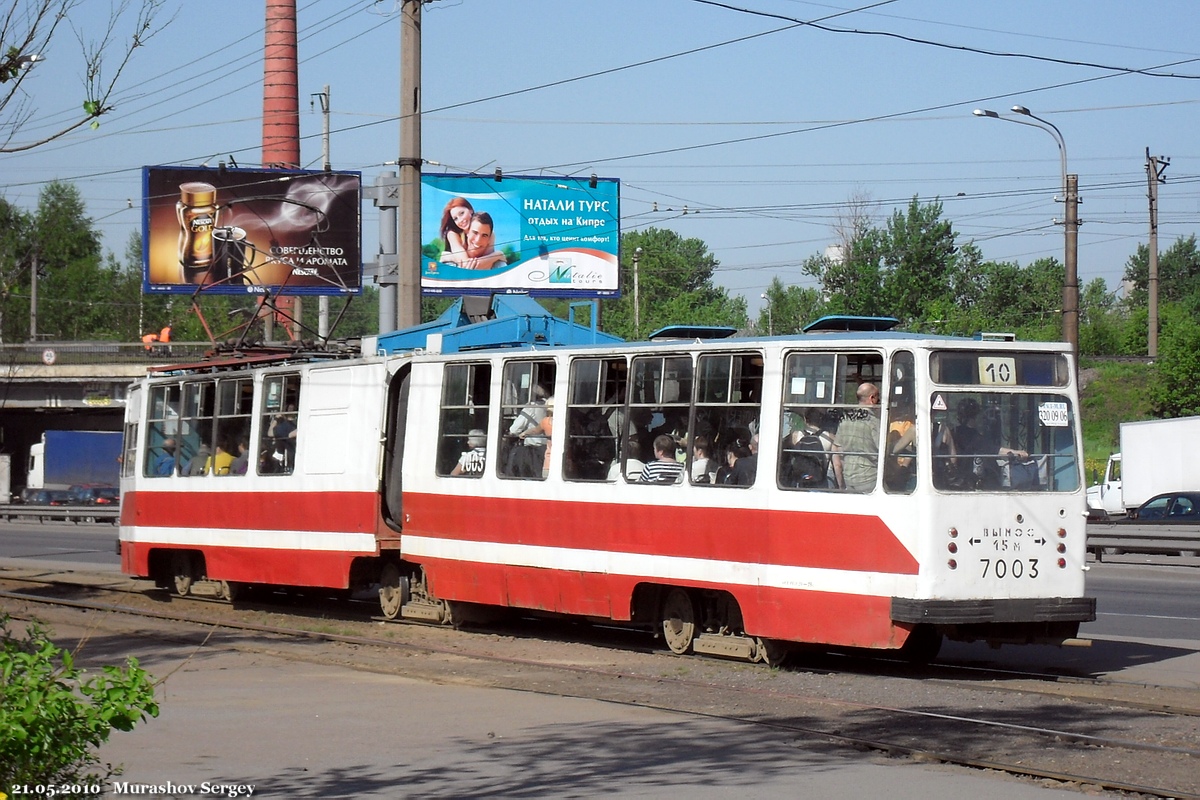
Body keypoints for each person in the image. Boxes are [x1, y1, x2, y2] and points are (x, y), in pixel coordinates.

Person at [835, 382, 881, 492]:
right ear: (872, 398)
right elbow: (882, 448)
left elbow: (837, 449)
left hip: (848, 478)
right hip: (870, 478)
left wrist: (841, 482)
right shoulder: (873, 422)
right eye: (878, 399)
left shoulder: (845, 419)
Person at [781, 408, 841, 489]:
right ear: (820, 420)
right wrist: (841, 487)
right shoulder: (830, 437)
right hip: (822, 481)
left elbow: (783, 453)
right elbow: (837, 464)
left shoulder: (795, 435)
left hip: (801, 480)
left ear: (805, 420)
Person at [442, 212, 508, 271]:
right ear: (467, 232)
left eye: (484, 235)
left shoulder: (499, 265)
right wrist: (499, 254)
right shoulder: (449, 264)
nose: (478, 240)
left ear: (489, 239)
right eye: (475, 232)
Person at [507, 385, 548, 477]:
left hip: (533, 450)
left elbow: (514, 429)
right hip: (547, 447)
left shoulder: (531, 407)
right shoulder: (549, 405)